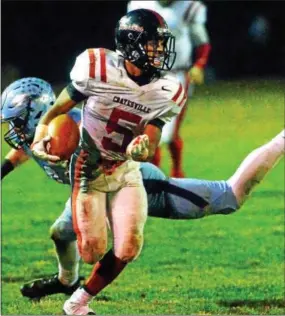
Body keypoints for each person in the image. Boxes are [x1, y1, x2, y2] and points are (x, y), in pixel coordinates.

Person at [2, 80, 284, 314]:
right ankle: (68, 282)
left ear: (39, 115)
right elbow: (24, 151)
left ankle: (281, 140)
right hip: (91, 189)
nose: (12, 131)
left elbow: (124, 141)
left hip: (135, 183)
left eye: (17, 123)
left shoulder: (75, 130)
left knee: (229, 196)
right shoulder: (41, 135)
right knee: (61, 232)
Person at [29, 9, 186, 315]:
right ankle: (70, 271)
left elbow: (153, 133)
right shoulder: (97, 67)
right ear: (130, 44)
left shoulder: (168, 89)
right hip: (89, 169)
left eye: (161, 44)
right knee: (91, 252)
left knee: (128, 247)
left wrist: (144, 146)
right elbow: (60, 107)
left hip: (126, 171)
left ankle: (76, 304)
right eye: (153, 43)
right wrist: (42, 131)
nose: (160, 51)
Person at [127, 0, 212, 177]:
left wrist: (199, 65)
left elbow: (201, 41)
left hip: (177, 74)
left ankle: (175, 173)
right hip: (147, 74)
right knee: (147, 129)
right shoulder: (138, 4)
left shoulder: (188, 6)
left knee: (169, 132)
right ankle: (156, 177)